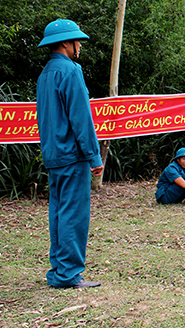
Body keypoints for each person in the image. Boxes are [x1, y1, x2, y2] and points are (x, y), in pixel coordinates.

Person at [36, 19, 104, 289]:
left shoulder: (45, 74)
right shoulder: (70, 71)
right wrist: (94, 156)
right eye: (77, 42)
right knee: (73, 215)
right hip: (72, 156)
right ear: (66, 43)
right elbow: (81, 118)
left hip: (53, 156)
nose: (79, 46)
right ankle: (68, 274)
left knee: (58, 214)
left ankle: (58, 271)